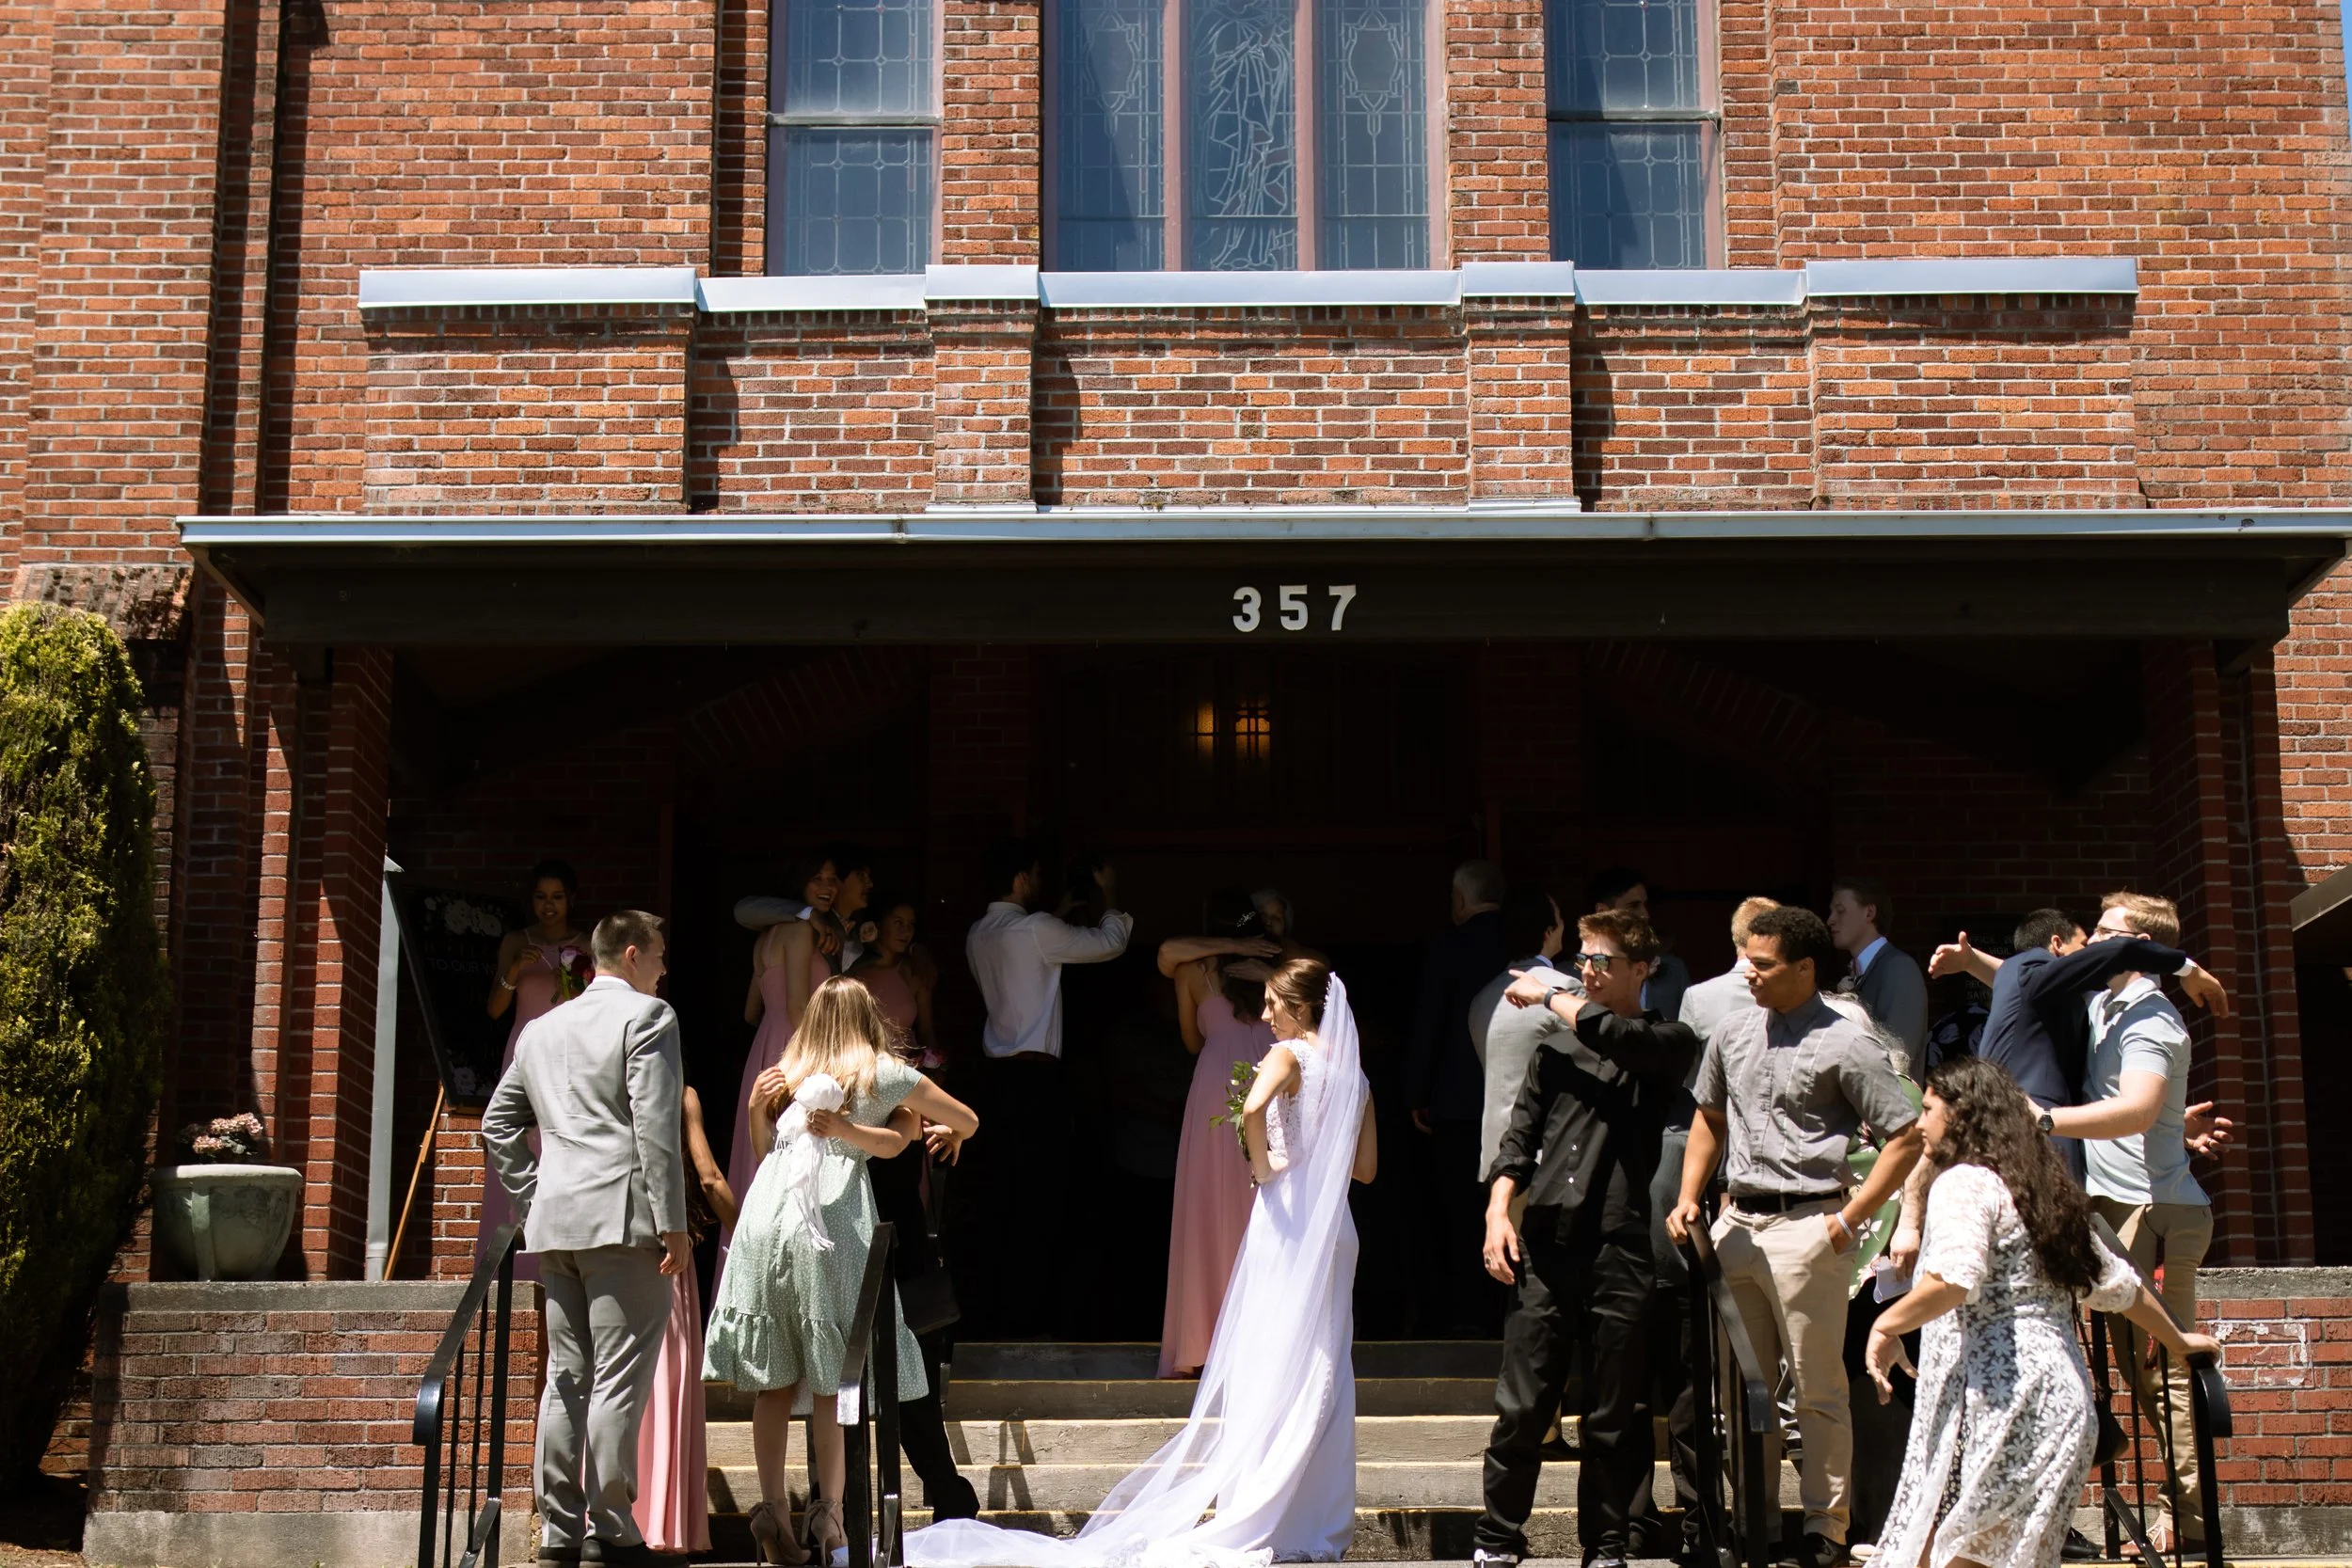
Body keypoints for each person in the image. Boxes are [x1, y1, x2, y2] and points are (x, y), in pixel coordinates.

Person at [904, 958, 1377, 1568]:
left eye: (1271, 1003)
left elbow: (1255, 1107)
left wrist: (1265, 1170)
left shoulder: (1289, 1056)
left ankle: (1263, 1500)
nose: (1264, 1015)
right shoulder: (1353, 1074)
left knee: (1269, 1354)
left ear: (1300, 1007)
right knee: (1323, 1361)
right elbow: (1365, 1168)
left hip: (1287, 1221)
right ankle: (1316, 1518)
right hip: (1335, 1225)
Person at [1865, 1056, 2221, 1568]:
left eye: (1927, 1110)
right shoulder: (2042, 1190)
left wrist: (1887, 1323)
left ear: (1963, 1115)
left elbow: (1952, 1279)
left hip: (1998, 1405)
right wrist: (2179, 1342)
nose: (1919, 1123)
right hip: (2059, 1407)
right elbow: (2121, 1287)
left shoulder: (1963, 1183)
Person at [1668, 905, 1926, 1568]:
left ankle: (1823, 1530)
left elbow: (1907, 1135)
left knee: (1815, 1387)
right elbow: (1708, 1117)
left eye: (1763, 962)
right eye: (1746, 958)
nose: (1748, 972)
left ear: (1804, 967)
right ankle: (1757, 1523)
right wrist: (1688, 1195)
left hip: (1811, 1222)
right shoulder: (1730, 1031)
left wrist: (1848, 1219)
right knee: (1743, 1391)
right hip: (1737, 1224)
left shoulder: (1847, 1040)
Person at [704, 976, 977, 1565]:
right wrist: (949, 1132)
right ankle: (829, 1516)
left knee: (775, 1380)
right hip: (827, 1219)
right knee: (834, 1376)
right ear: (867, 1016)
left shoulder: (787, 1073)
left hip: (764, 1219)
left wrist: (757, 1105)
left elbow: (761, 1150)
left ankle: (773, 1512)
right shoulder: (882, 1072)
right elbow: (969, 1119)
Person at [1475, 909, 1699, 1568]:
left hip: (1620, 1243)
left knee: (1613, 1407)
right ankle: (1497, 1538)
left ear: (1641, 969)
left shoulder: (1667, 1040)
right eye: (1582, 959)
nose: (1587, 971)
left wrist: (1549, 993)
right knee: (1523, 1402)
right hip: (1547, 1240)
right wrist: (1497, 1213)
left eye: (1601, 961)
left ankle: (1604, 1543)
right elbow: (1518, 1142)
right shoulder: (1553, 1051)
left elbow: (1618, 1037)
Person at [481, 910, 691, 1568]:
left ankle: (558, 1532)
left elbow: (497, 1124)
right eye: (658, 954)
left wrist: (533, 1194)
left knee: (567, 1378)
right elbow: (656, 1127)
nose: (663, 966)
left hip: (558, 1225)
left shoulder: (541, 1029)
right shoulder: (649, 1016)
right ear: (631, 953)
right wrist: (675, 1224)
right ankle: (615, 1529)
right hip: (623, 1220)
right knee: (617, 1379)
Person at [2045, 893, 2216, 1552]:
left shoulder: (2153, 1020)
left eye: (2108, 934)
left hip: (2157, 1210)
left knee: (2164, 1366)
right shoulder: (2103, 1003)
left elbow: (2140, 1109)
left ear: (2139, 945)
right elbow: (2032, 981)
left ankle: (2195, 1524)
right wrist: (1976, 962)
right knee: (2136, 1364)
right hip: (2120, 1207)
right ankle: (2180, 1510)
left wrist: (2046, 1119)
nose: (2092, 942)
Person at [962, 838, 1133, 1336]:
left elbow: (1030, 958)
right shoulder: (1038, 929)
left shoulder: (978, 934)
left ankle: (994, 1317)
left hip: (994, 1081)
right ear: (1020, 878)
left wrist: (1058, 915)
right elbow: (1110, 943)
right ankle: (1032, 1320)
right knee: (1042, 1200)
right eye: (1034, 874)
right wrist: (1111, 892)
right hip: (1037, 1082)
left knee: (1003, 1197)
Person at [1922, 911, 2227, 1186]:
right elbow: (2120, 950)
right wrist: (2188, 969)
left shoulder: (2069, 998)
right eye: (2085, 943)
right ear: (2057, 946)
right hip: (2029, 1143)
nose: (2093, 946)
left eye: (2101, 934)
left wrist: (2169, 1124)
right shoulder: (2031, 966)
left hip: (2045, 1147)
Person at [1155, 894, 1285, 1377]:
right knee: (1258, 1203)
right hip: (1270, 1081)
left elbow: (1192, 1040)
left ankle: (1204, 1341)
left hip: (1219, 1087)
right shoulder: (1277, 969)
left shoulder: (1196, 972)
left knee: (1212, 1206)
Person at [720, 851, 843, 1289]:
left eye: (832, 878)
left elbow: (753, 1009)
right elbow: (796, 1005)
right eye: (817, 878)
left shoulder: (766, 938)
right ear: (798, 886)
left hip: (768, 1045)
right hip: (798, 1047)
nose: (827, 886)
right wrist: (833, 1057)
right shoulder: (798, 929)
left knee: (763, 1161)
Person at [634, 1085, 737, 1557]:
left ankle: (608, 1516)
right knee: (666, 1379)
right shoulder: (677, 1093)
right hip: (667, 1249)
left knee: (613, 1382)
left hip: (609, 1249)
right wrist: (747, 1231)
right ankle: (663, 1522)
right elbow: (710, 1177)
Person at [1407, 859, 1508, 1337]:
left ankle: (1464, 1320)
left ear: (1461, 899)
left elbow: (1431, 1022)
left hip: (1456, 1101)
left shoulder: (1448, 947)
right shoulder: (1516, 941)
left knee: (1457, 1213)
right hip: (1511, 1104)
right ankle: (1502, 1314)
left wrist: (1418, 1091)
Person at [480, 859, 593, 1271]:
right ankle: (512, 1257)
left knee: (562, 1140)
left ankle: (562, 1255)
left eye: (558, 897)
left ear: (571, 899)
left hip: (569, 1053)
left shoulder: (589, 945)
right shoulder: (515, 940)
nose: (549, 906)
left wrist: (576, 980)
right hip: (524, 1051)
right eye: (541, 897)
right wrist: (513, 970)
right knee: (517, 1138)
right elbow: (494, 1009)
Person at [1469, 883, 1571, 1188]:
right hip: (1549, 1156)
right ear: (1549, 931)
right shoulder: (1564, 990)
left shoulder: (1482, 999)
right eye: (1560, 919)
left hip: (1495, 1157)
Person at [1826, 877, 1931, 1080]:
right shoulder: (1860, 972)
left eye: (1840, 910)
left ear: (1870, 912)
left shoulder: (1899, 969)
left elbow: (1899, 1056)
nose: (1830, 919)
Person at [851, 892, 943, 1069]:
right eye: (898, 922)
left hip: (908, 1068)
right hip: (864, 1069)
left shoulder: (915, 970)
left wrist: (936, 1067)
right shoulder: (852, 968)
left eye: (911, 925)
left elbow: (926, 1030)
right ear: (877, 924)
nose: (906, 931)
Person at [1590, 867, 1692, 1021]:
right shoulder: (1570, 975)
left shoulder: (1674, 971)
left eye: (1645, 905)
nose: (1645, 914)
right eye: (1633, 906)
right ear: (1602, 911)